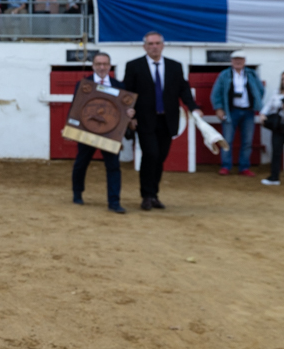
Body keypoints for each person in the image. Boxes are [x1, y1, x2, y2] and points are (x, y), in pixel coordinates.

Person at [123, 31, 203, 211]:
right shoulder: (134, 66)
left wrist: (193, 107)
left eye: (157, 43)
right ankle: (146, 195)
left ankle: (154, 195)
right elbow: (128, 93)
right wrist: (131, 117)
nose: (154, 47)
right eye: (150, 44)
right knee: (150, 154)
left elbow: (184, 89)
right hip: (144, 120)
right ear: (144, 46)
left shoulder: (175, 66)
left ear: (163, 45)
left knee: (160, 158)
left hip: (167, 120)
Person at [71, 52, 133, 214]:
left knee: (113, 166)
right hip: (87, 130)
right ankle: (77, 193)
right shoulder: (83, 84)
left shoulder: (120, 86)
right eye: (98, 64)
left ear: (110, 66)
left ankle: (114, 201)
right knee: (81, 163)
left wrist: (130, 113)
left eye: (105, 64)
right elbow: (76, 107)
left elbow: (123, 109)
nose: (102, 67)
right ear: (93, 66)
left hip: (110, 133)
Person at [210, 51, 264, 176]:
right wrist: (219, 108)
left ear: (245, 61)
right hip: (230, 111)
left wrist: (256, 102)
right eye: (235, 59)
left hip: (248, 111)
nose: (238, 62)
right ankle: (226, 166)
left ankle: (244, 167)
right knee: (227, 140)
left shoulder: (251, 74)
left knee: (247, 142)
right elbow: (216, 93)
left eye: (240, 59)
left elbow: (260, 90)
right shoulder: (224, 75)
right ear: (231, 61)